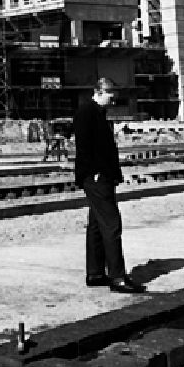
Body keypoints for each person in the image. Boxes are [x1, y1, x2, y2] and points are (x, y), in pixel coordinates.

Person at [73, 78, 145, 294]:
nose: (113, 101)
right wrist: (93, 172)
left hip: (101, 176)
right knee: (112, 224)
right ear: (98, 91)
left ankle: (95, 273)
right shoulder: (87, 112)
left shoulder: (98, 113)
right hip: (96, 177)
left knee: (97, 224)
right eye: (110, 96)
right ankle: (117, 277)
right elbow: (84, 147)